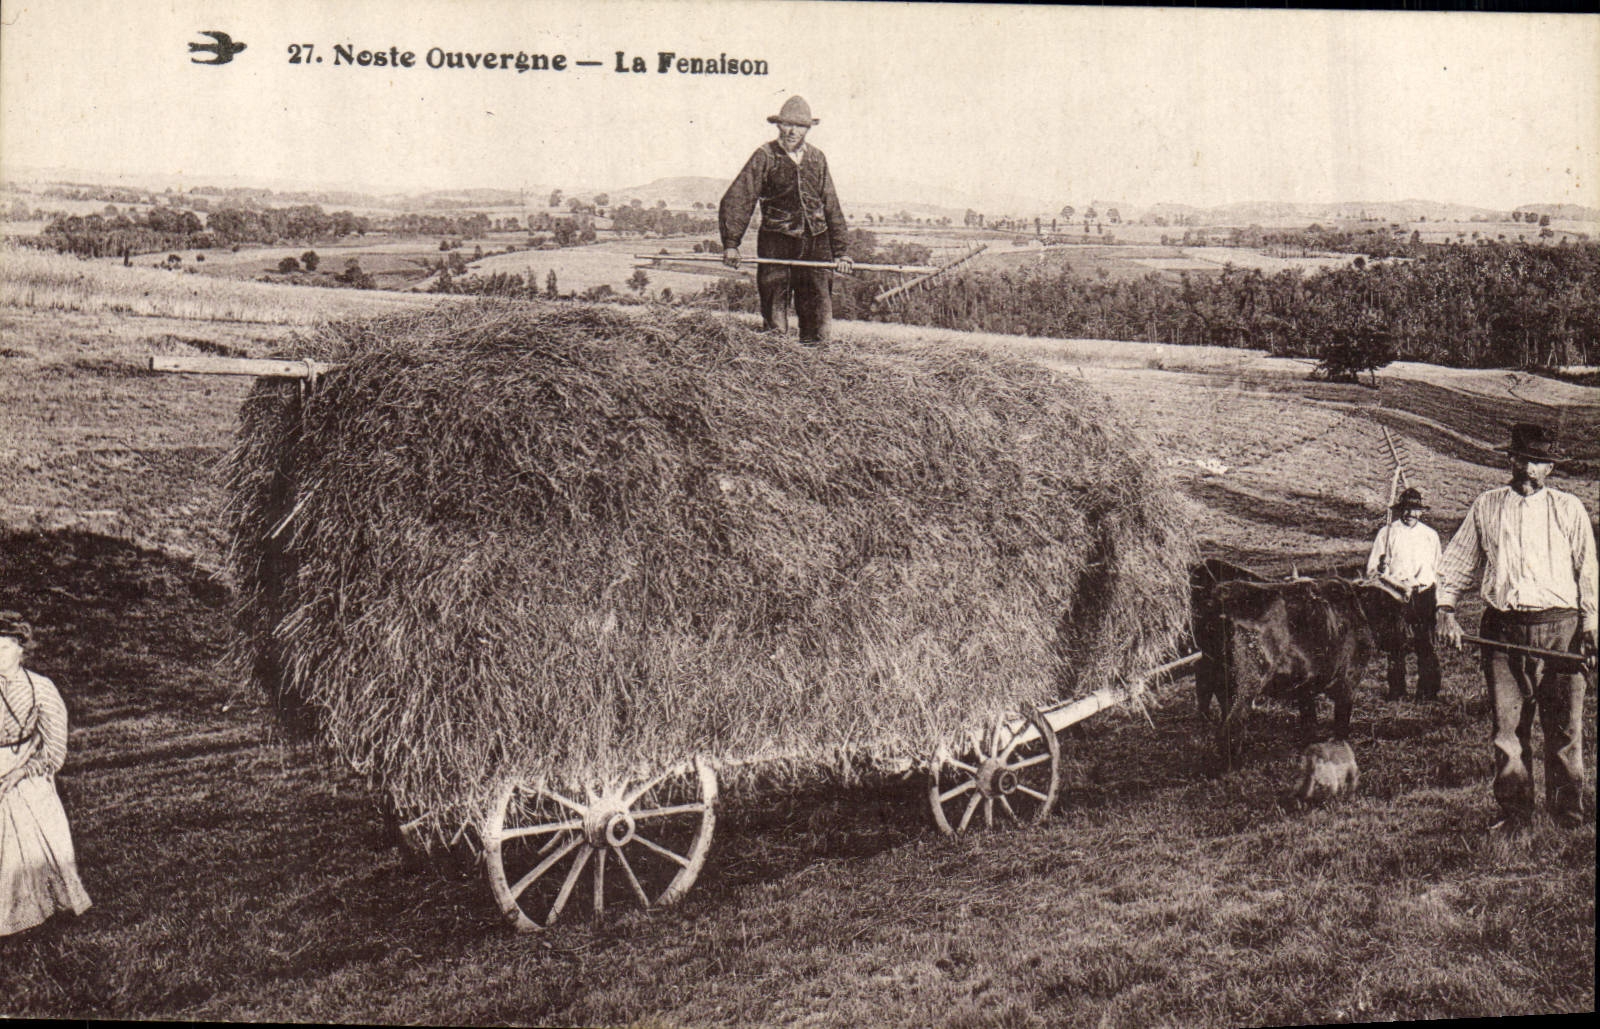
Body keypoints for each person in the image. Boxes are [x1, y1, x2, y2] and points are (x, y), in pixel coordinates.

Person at [1436, 424, 1598, 831]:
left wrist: (1591, 624)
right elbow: (1457, 561)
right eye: (1521, 459)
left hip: (1560, 630)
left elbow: (1588, 571)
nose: (1527, 468)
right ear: (1509, 460)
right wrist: (1446, 608)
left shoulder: (1568, 508)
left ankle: (1567, 815)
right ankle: (1515, 815)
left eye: (1537, 461)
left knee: (1563, 730)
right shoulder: (1487, 505)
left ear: (1550, 467)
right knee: (1508, 733)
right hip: (1502, 633)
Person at [719, 95, 853, 342]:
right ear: (778, 125)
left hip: (816, 242)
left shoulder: (817, 158)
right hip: (776, 241)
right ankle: (776, 358)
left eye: (800, 126)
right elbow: (739, 198)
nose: (793, 131)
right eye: (787, 124)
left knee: (817, 308)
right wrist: (731, 244)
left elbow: (831, 204)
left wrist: (842, 251)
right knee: (775, 308)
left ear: (808, 129)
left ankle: (817, 363)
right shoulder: (765, 156)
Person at [1, 610, 92, 935]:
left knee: (29, 830)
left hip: (24, 766)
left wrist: (20, 772)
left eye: (5, 647)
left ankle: (31, 909)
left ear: (22, 650)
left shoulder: (41, 689)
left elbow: (54, 751)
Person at [1366, 486, 1442, 700]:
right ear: (1400, 510)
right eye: (1406, 509)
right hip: (1395, 595)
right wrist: (1382, 569)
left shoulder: (1430, 536)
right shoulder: (1387, 533)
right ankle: (1396, 691)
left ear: (1421, 511)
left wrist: (1421, 585)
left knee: (1424, 642)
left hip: (1423, 594)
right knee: (1396, 644)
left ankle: (1428, 692)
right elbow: (1373, 569)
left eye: (1415, 510)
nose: (1410, 514)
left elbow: (1437, 568)